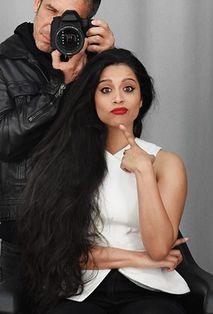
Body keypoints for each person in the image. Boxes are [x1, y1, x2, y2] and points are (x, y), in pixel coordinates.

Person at [19, 48, 190, 314]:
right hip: (79, 289)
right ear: (93, 99)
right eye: (106, 90)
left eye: (129, 88)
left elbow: (158, 250)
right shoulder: (64, 162)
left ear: (142, 99)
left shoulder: (167, 163)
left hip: (150, 289)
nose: (118, 98)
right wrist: (139, 259)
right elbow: (59, 252)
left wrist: (144, 171)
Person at [0, 0, 114, 284]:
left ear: (86, 25)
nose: (53, 25)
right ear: (36, 2)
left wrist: (109, 65)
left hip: (89, 221)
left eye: (68, 19)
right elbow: (5, 140)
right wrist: (59, 85)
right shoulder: (3, 62)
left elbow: (120, 133)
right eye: (50, 10)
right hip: (25, 223)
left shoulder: (92, 61)